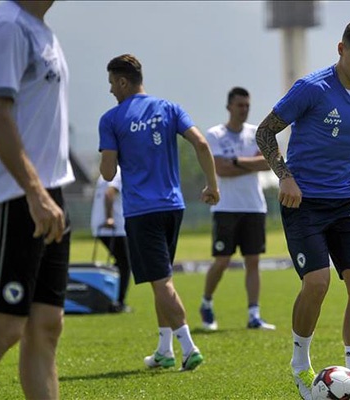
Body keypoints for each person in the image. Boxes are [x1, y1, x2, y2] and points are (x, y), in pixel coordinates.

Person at [256, 18, 350, 400]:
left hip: (347, 201)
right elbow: (265, 132)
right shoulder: (311, 89)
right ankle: (300, 365)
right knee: (316, 283)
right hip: (304, 202)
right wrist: (285, 177)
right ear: (341, 49)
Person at [0, 1, 74, 399]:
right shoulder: (5, 26)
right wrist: (34, 192)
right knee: (2, 328)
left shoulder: (41, 30)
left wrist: (46, 194)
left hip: (49, 194)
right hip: (12, 195)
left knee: (47, 326)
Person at [98, 54, 220, 372]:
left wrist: (114, 152)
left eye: (111, 83)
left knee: (162, 281)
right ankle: (164, 350)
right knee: (160, 279)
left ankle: (188, 347)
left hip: (141, 211)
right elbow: (202, 144)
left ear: (123, 81)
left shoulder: (111, 119)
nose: (110, 90)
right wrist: (212, 185)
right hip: (173, 207)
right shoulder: (169, 108)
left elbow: (108, 173)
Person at [199, 87, 275, 331]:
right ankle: (206, 302)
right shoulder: (215, 134)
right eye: (240, 105)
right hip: (225, 206)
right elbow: (220, 169)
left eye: (247, 105)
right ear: (229, 106)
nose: (244, 110)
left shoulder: (256, 133)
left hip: (254, 206)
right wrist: (250, 163)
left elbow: (269, 162)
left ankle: (254, 315)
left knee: (253, 261)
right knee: (222, 261)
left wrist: (236, 161)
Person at [90, 169, 131, 312]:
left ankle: (110, 298)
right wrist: (109, 217)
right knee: (125, 264)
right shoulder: (118, 172)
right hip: (113, 227)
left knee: (120, 263)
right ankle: (119, 302)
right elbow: (109, 193)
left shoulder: (104, 174)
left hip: (101, 226)